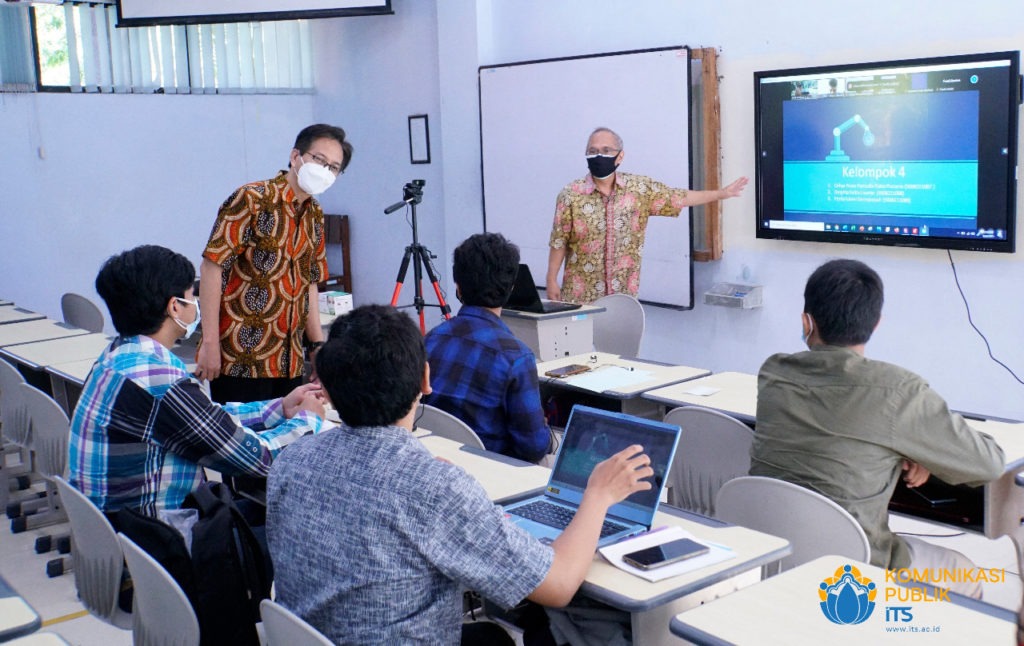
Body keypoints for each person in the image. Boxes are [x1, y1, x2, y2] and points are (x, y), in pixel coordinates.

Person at [266, 305, 653, 644]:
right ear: (425, 379)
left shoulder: (292, 459)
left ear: (327, 390)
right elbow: (559, 584)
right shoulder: (433, 488)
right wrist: (598, 495)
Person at [750, 258, 1004, 598]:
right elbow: (988, 464)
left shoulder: (773, 373)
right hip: (856, 568)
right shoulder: (898, 391)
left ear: (806, 322)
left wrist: (908, 448)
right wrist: (920, 451)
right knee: (965, 572)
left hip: (772, 555)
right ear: (876, 324)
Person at [68, 245, 325, 515]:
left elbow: (204, 417)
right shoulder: (159, 381)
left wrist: (279, 408)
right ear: (175, 307)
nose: (197, 304)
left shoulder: (115, 357)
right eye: (192, 295)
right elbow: (259, 459)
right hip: (159, 532)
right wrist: (308, 420)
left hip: (118, 528)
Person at [197, 123, 353, 404]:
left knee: (288, 430)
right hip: (240, 356)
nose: (325, 170)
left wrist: (317, 346)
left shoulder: (315, 214)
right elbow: (212, 267)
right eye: (319, 160)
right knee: (241, 431)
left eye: (333, 167)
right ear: (296, 156)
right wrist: (209, 342)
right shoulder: (252, 198)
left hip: (289, 359)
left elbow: (309, 283)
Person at [546, 127, 748, 304]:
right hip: (581, 297)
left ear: (620, 156)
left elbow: (678, 197)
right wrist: (551, 278)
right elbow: (559, 241)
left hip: (623, 298)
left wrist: (721, 194)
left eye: (606, 150)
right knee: (578, 338)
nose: (599, 155)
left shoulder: (639, 190)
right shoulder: (571, 195)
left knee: (620, 337)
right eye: (593, 151)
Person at [424, 232, 554, 463]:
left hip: (435, 460)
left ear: (458, 287)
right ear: (511, 288)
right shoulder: (517, 358)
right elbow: (533, 448)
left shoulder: (431, 339)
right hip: (492, 469)